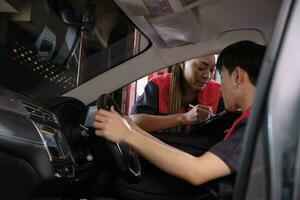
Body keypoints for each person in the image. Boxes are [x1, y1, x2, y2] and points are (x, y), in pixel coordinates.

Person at [93, 40, 266, 199]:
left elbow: (197, 171)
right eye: (201, 68)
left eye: (220, 74)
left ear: (237, 76)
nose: (219, 86)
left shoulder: (254, 125)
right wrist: (132, 130)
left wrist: (128, 135)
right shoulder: (252, 119)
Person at [130, 55, 223, 133]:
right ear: (182, 63)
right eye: (201, 68)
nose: (207, 76)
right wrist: (184, 118)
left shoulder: (218, 92)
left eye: (212, 70)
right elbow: (134, 122)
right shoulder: (158, 86)